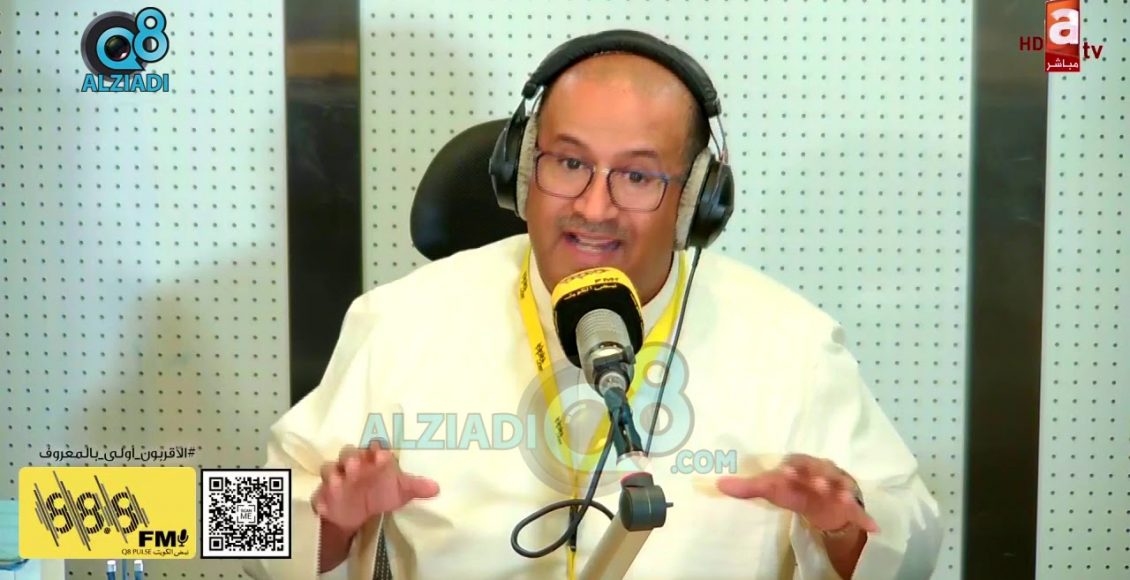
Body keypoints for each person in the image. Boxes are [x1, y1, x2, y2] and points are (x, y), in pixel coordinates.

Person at [243, 30, 943, 580]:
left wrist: (844, 526)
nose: (594, 207)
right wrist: (331, 519)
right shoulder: (399, 320)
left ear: (696, 200)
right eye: (570, 163)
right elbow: (239, 529)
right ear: (522, 169)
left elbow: (914, 542)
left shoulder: (792, 343)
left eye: (637, 175)